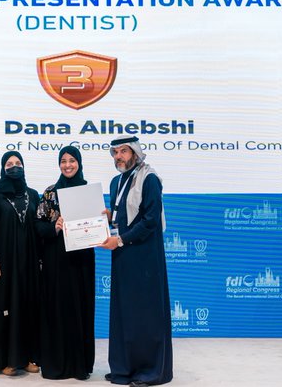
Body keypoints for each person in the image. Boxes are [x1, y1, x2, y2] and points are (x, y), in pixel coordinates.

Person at [100, 135, 173, 386]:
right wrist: (108, 217)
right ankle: (124, 368)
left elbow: (150, 221)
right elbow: (122, 215)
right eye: (115, 152)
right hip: (123, 255)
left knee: (145, 313)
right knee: (125, 312)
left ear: (135, 152)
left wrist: (120, 240)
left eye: (124, 151)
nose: (119, 156)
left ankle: (150, 371)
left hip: (144, 256)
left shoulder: (149, 178)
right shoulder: (116, 181)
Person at [35, 146, 95, 380]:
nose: (67, 165)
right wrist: (55, 227)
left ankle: (80, 365)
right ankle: (57, 363)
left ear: (79, 163)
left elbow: (96, 225)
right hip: (56, 259)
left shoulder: (88, 191)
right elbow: (38, 225)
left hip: (81, 259)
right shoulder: (50, 193)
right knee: (57, 307)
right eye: (63, 161)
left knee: (80, 306)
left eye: (72, 160)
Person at [0, 151, 41, 376]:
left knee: (28, 308)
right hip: (4, 263)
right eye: (9, 163)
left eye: (18, 163)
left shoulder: (32, 195)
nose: (14, 167)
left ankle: (27, 358)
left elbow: (40, 227)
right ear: (2, 168)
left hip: (29, 264)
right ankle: (5, 360)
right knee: (4, 308)